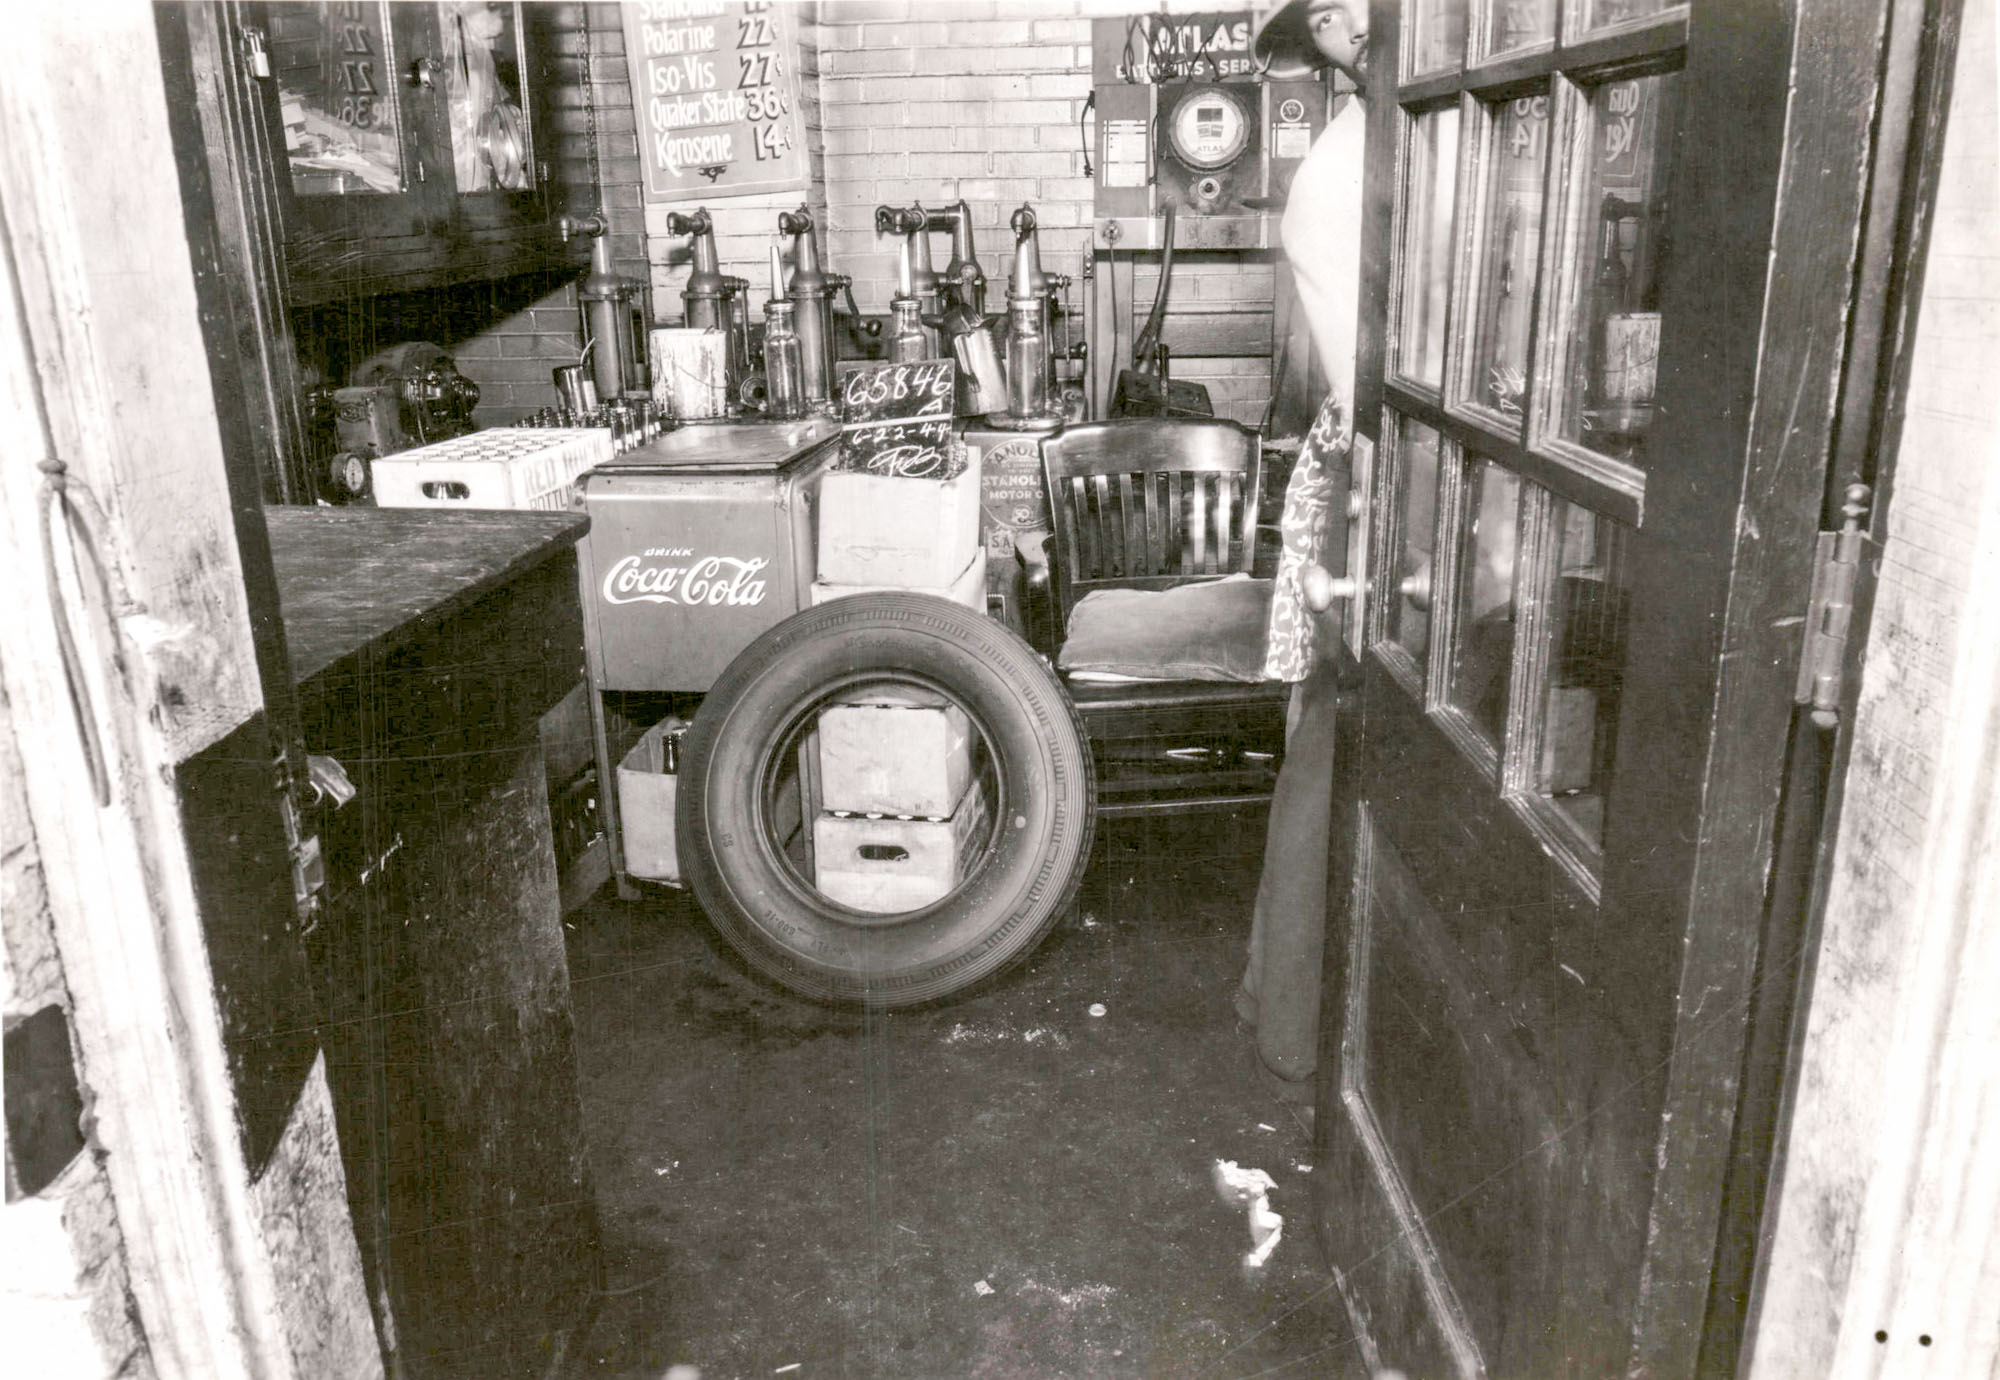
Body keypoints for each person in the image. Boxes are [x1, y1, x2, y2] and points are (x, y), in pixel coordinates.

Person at [1236, 0, 1371, 1117]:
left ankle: (1306, 1016)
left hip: (1373, 468)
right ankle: (1293, 1024)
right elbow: (1369, 380)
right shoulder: (1341, 169)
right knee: (1328, 749)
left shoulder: (1391, 132)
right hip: (1370, 476)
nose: (1357, 24)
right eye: (1330, 15)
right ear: (1314, 38)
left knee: (1331, 754)